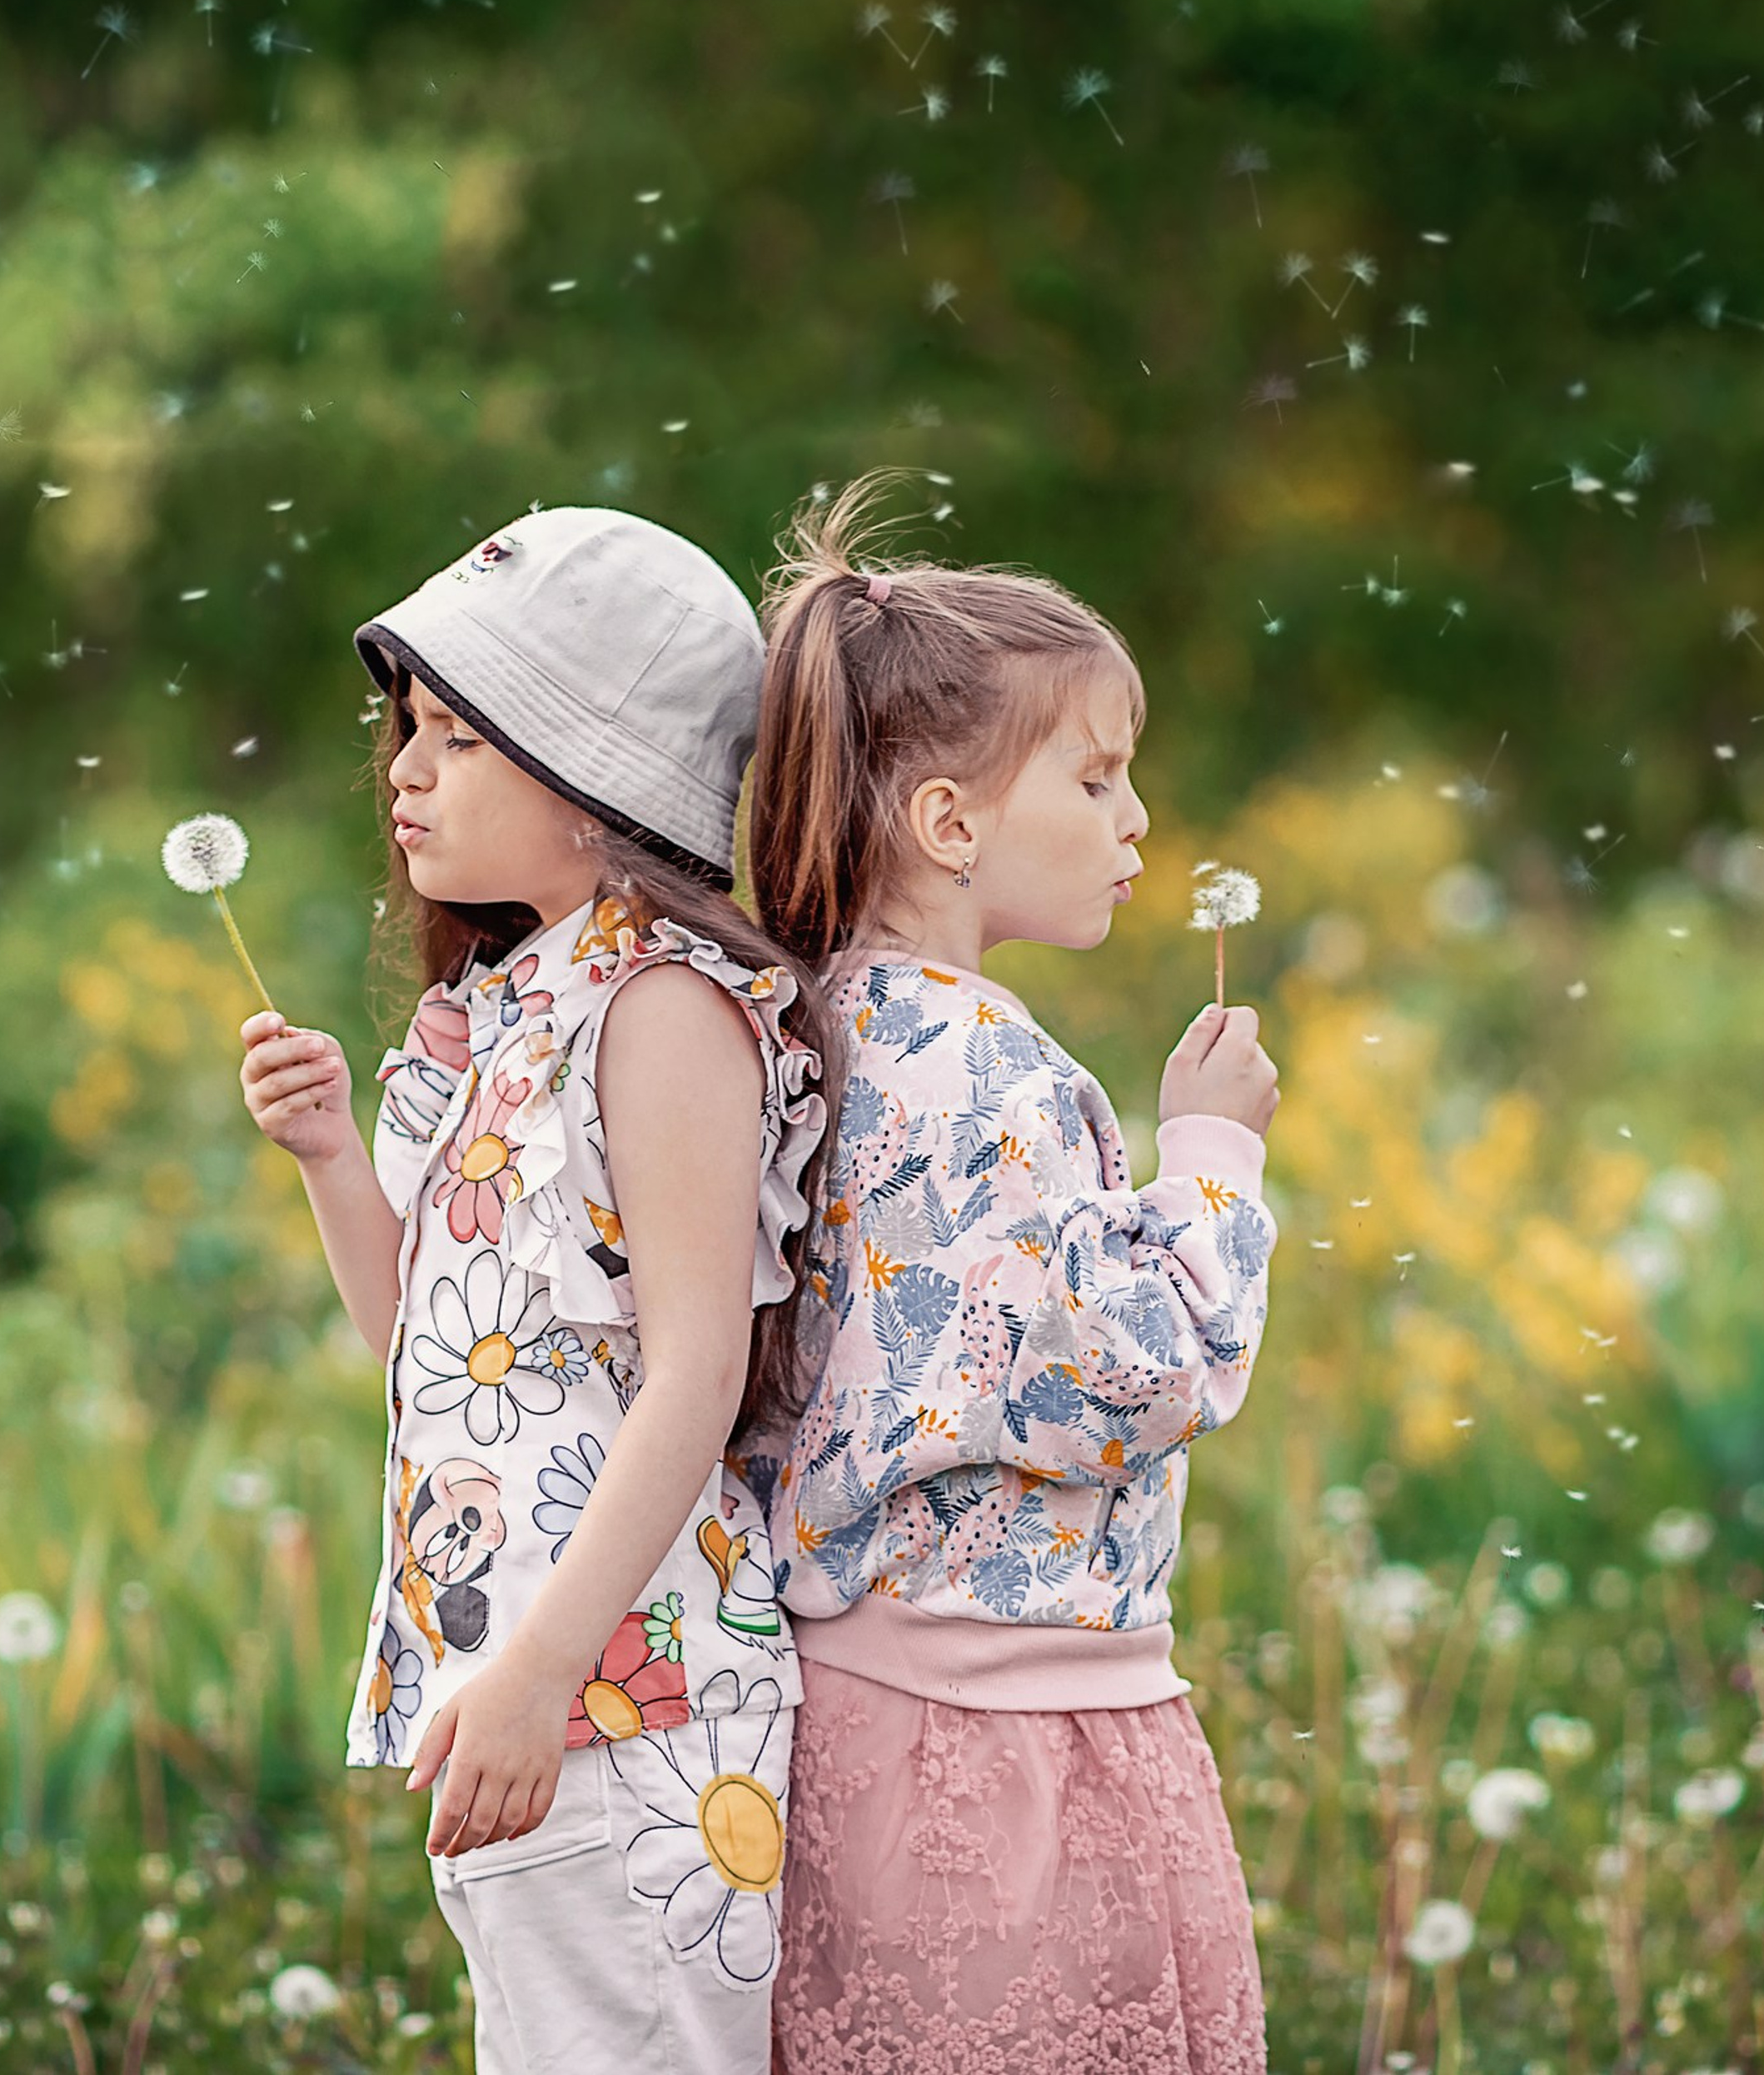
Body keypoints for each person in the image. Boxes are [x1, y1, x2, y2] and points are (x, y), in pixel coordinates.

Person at [235, 506, 832, 2074]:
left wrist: (539, 1672)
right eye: (406, 734)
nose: (406, 773)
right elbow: (426, 1355)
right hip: (513, 1699)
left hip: (627, 1704)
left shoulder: (663, 1006)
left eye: (459, 738)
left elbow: (696, 1371)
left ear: (598, 774)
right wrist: (325, 1156)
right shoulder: (504, 1004)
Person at [745, 471, 1281, 2075]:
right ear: (952, 821)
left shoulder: (809, 1025)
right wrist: (1211, 1155)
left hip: (844, 1724)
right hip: (1012, 1735)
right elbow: (1136, 1374)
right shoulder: (988, 1066)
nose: (1135, 824)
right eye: (1100, 779)